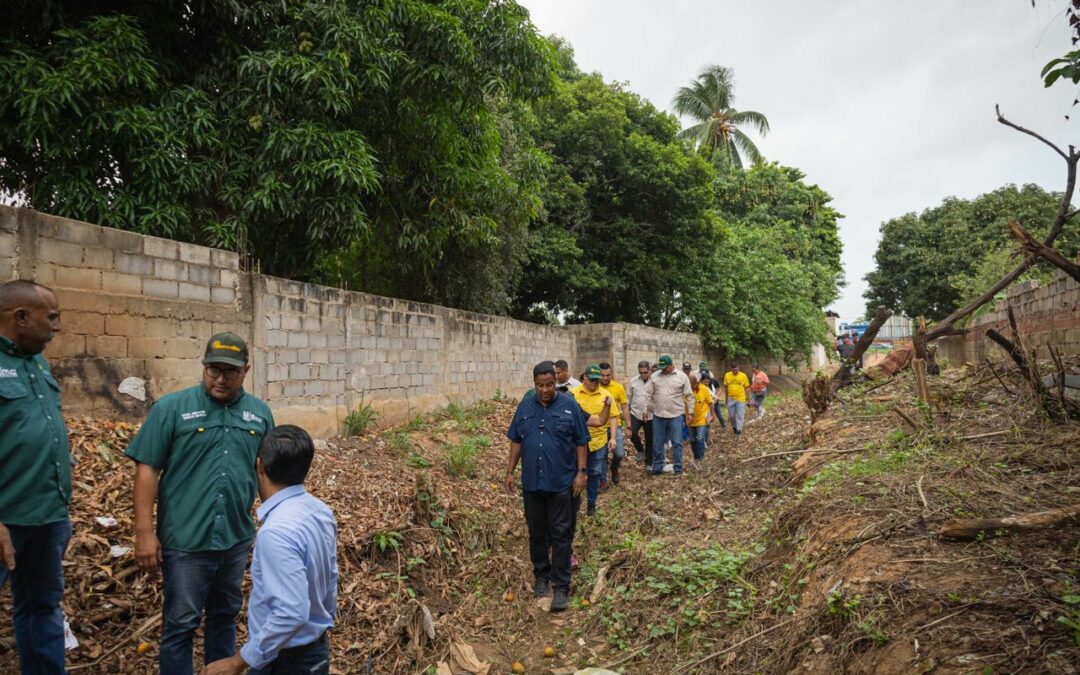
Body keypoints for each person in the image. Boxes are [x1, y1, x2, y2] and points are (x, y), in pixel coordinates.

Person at [127, 332, 276, 675]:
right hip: (186, 541)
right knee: (180, 625)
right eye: (213, 370)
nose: (220, 379)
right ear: (204, 367)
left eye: (230, 372)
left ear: (246, 371)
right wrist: (144, 533)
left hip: (235, 539)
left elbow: (266, 472)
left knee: (224, 618)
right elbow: (147, 468)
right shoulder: (172, 409)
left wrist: (272, 526)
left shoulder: (259, 414)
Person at [202, 426, 337, 675]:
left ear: (259, 466)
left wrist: (237, 662)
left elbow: (292, 612)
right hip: (314, 650)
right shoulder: (320, 511)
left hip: (286, 661)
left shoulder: (275, 532)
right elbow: (331, 578)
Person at [0, 280, 71, 675]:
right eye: (52, 316)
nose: (57, 326)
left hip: (46, 517)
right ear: (21, 317)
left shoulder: (38, 363)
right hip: (6, 520)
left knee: (42, 607)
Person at [505, 361, 589, 612]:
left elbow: (581, 442)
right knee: (537, 532)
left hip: (561, 482)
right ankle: (541, 576)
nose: (545, 389)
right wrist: (510, 471)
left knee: (561, 534)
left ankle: (561, 586)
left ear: (556, 383)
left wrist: (581, 473)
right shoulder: (525, 407)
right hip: (532, 482)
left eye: (549, 384)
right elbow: (516, 441)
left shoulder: (569, 406)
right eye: (540, 385)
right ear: (534, 384)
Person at [570, 365, 618, 516]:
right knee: (575, 473)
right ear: (584, 377)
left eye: (597, 380)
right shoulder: (573, 395)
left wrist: (613, 438)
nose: (595, 383)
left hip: (597, 442)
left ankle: (591, 505)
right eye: (592, 380)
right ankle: (574, 503)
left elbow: (611, 417)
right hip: (577, 445)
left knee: (595, 474)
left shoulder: (606, 395)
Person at [641, 355, 694, 476]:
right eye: (661, 368)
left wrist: (690, 412)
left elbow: (689, 396)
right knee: (657, 442)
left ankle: (678, 468)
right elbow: (648, 393)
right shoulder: (655, 376)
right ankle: (658, 467)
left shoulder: (681, 376)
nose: (663, 370)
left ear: (671, 365)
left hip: (676, 415)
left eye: (665, 367)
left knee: (677, 442)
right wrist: (645, 409)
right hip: (658, 415)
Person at [597, 362, 630, 485]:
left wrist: (629, 426)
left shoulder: (618, 387)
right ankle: (603, 480)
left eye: (608, 375)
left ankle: (614, 467)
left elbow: (625, 408)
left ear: (612, 374)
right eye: (602, 375)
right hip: (599, 426)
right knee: (602, 455)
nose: (605, 378)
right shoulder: (595, 387)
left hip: (616, 425)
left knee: (619, 453)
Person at [627, 361, 654, 465]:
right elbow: (628, 397)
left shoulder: (654, 381)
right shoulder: (633, 381)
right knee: (632, 432)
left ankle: (649, 463)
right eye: (641, 372)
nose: (643, 375)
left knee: (649, 439)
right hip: (635, 413)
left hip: (650, 415)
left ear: (649, 370)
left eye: (645, 372)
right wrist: (625, 411)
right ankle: (640, 451)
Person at [687, 374, 714, 463]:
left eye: (693, 385)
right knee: (692, 439)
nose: (692, 387)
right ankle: (696, 457)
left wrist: (712, 415)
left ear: (696, 383)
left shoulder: (703, 388)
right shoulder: (685, 390)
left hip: (702, 417)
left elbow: (710, 403)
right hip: (690, 419)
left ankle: (700, 457)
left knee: (700, 438)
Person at [723, 361, 751, 436]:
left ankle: (739, 431)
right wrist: (726, 399)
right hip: (731, 398)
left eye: (736, 370)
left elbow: (747, 388)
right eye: (733, 370)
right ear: (731, 369)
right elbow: (726, 388)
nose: (735, 371)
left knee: (740, 415)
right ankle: (734, 427)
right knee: (731, 416)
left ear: (739, 368)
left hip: (741, 399)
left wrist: (749, 400)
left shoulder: (743, 376)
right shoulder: (727, 375)